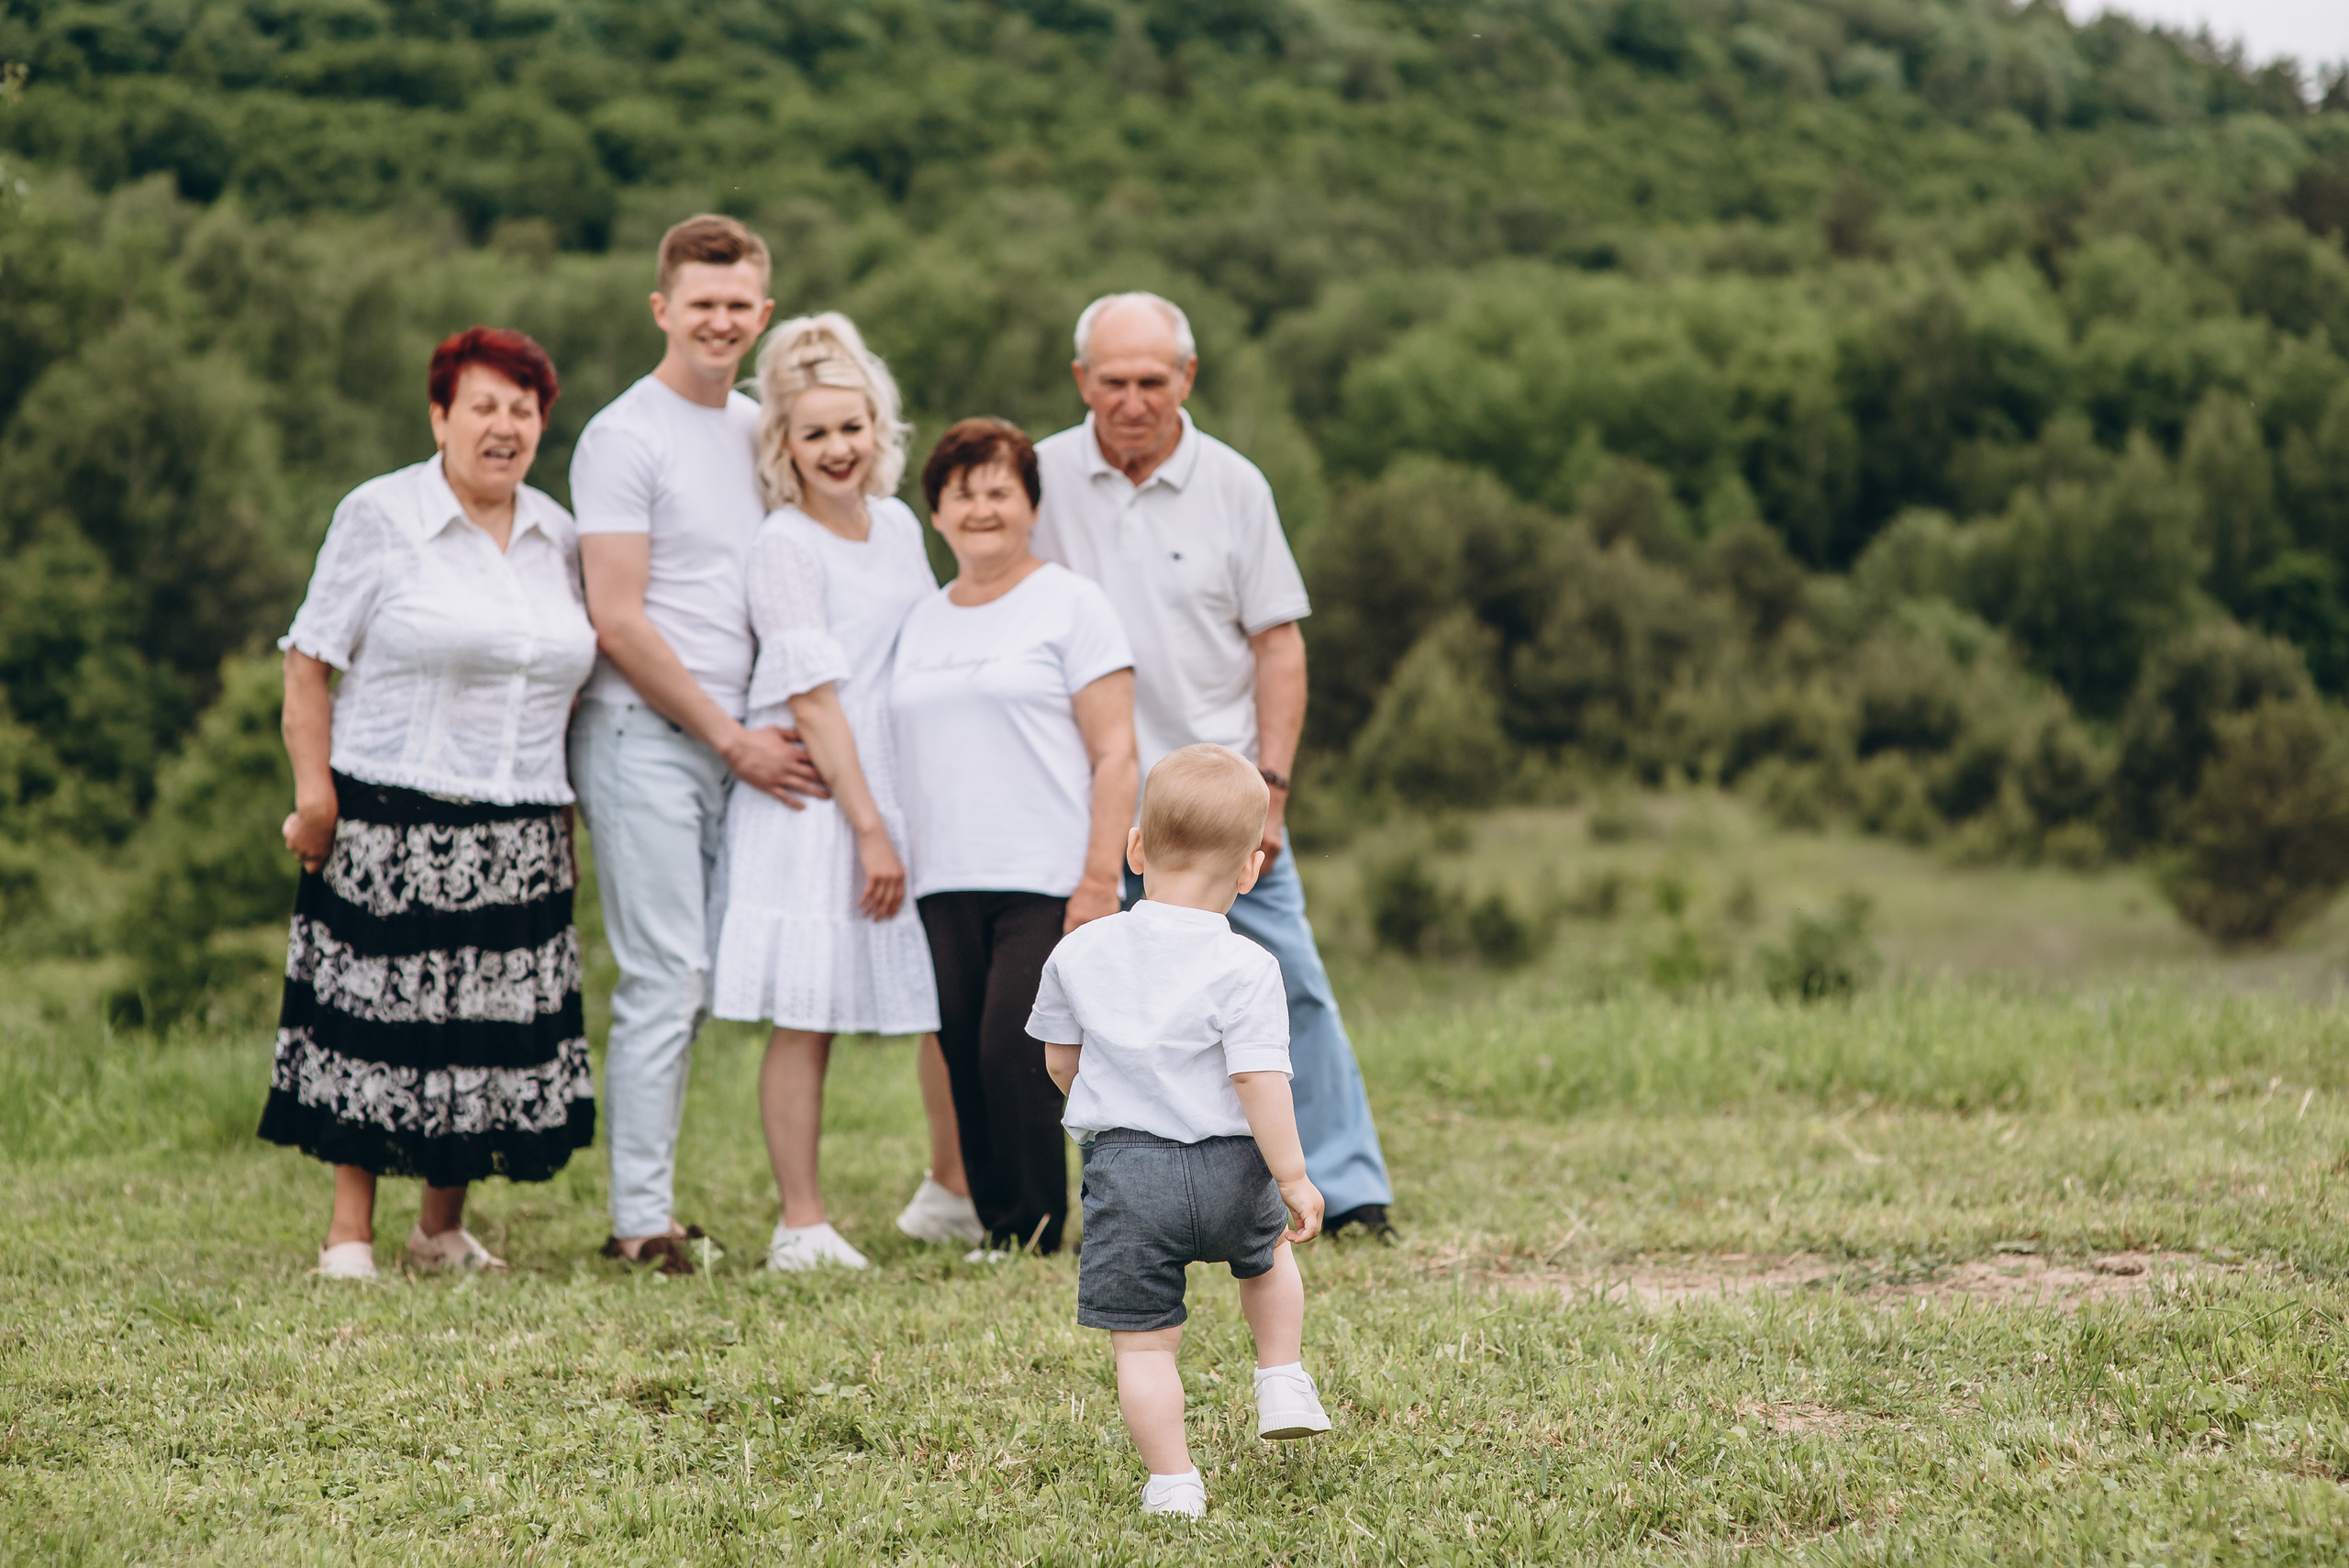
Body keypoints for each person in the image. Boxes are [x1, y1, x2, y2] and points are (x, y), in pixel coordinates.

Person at [1031, 292, 1397, 1237]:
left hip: (1220, 802)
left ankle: (1347, 1186)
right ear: (1082, 382)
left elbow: (1279, 644)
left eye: (1152, 380)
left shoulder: (1236, 483)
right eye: (1112, 381)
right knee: (1073, 1004)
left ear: (1186, 379)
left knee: (1294, 984)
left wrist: (1270, 792)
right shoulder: (1036, 478)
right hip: (1083, 799)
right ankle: (1076, 1197)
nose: (1132, 399)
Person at [261, 327, 598, 1280]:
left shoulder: (557, 533)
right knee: (375, 1020)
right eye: (483, 406)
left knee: (481, 1030)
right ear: (440, 415)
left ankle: (441, 1227)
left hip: (523, 812)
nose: (504, 427)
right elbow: (308, 657)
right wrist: (314, 792)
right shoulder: (380, 514)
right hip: (389, 806)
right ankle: (349, 1233)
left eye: (522, 410)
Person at [569, 215, 825, 1274]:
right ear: (662, 308)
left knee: (714, 975)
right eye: (701, 303)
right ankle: (639, 1223)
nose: (719, 321)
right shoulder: (623, 435)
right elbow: (618, 618)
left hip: (743, 740)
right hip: (647, 735)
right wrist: (730, 739)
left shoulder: (763, 427)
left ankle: (658, 1198)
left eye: (738, 306)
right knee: (666, 973)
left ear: (761, 316)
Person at [1031, 743, 1331, 1520]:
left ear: (1135, 849)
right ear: (1248, 871)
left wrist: (1098, 1100)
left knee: (1144, 1343)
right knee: (1266, 1259)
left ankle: (1172, 1483)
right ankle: (1280, 1375)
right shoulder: (1249, 964)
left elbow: (1061, 1060)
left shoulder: (1078, 951)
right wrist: (1292, 1177)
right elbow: (1259, 1079)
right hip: (1235, 1166)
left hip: (1130, 1171)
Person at [708, 313, 941, 1272]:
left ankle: (955, 1192)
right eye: (815, 433)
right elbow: (815, 698)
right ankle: (800, 1222)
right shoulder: (784, 544)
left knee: (940, 995)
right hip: (817, 803)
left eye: (852, 428)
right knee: (807, 1008)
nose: (838, 449)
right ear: (784, 445)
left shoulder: (895, 525)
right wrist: (868, 829)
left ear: (877, 427)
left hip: (895, 786)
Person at [891, 418, 1138, 1258]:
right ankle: (998, 1221)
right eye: (963, 493)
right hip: (943, 874)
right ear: (936, 514)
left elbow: (1116, 753)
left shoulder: (1072, 603)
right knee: (962, 1047)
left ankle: (1033, 1227)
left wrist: (1100, 880)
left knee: (1014, 1048)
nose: (982, 507)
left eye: (1000, 490)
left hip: (1045, 870)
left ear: (1031, 504)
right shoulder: (921, 621)